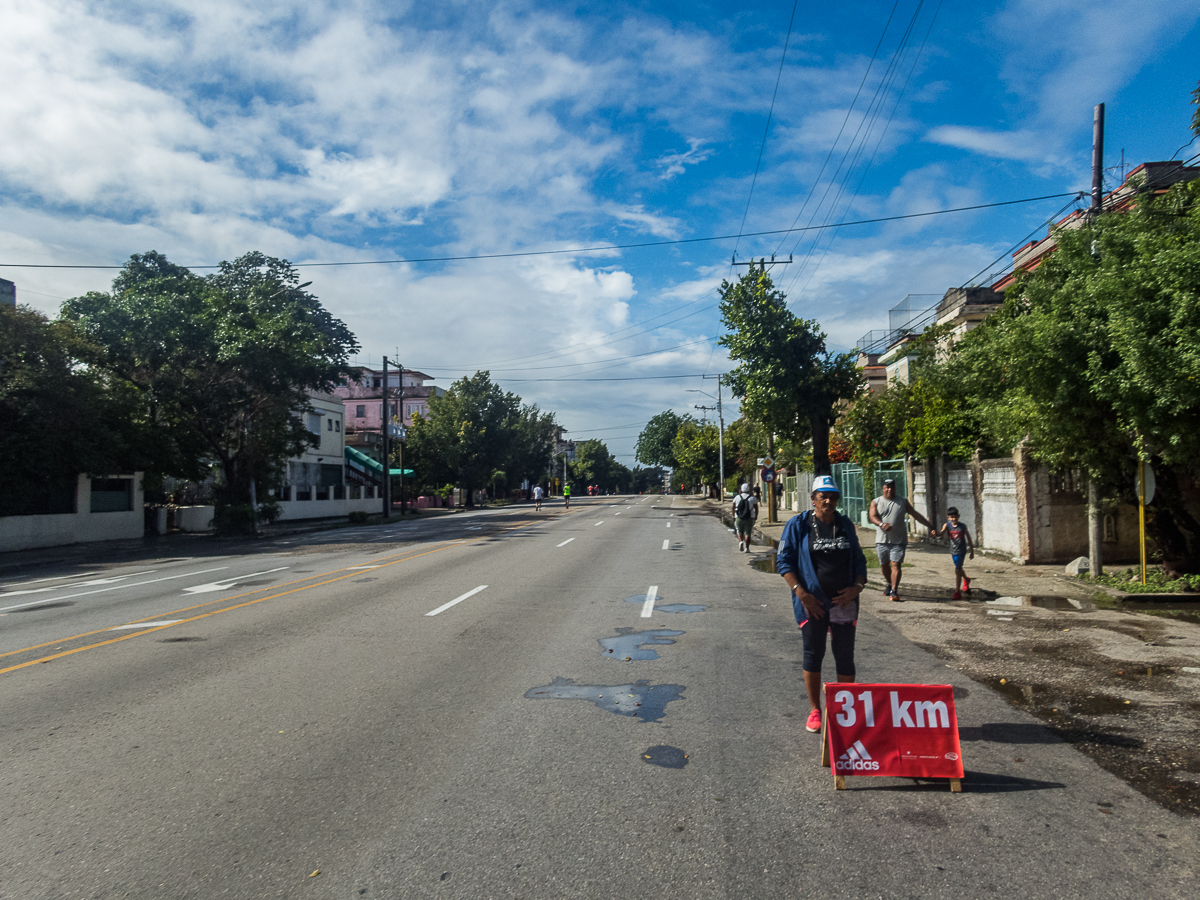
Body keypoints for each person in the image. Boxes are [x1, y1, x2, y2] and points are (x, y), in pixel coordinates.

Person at [776, 475, 868, 734]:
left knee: (845, 656)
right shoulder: (798, 525)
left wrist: (856, 588)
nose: (828, 501)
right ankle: (815, 709)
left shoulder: (845, 524)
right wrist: (801, 594)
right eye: (822, 496)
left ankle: (843, 712)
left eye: (833, 497)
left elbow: (860, 561)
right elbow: (784, 562)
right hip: (812, 602)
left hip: (844, 603)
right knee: (813, 654)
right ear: (813, 499)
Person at [868, 478, 936, 602]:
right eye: (887, 487)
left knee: (896, 564)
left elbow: (915, 515)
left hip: (899, 540)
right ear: (883, 488)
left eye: (892, 487)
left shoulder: (902, 502)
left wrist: (930, 526)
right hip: (882, 540)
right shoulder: (876, 502)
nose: (889, 489)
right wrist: (882, 524)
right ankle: (889, 583)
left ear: (895, 488)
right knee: (884, 565)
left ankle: (894, 590)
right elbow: (872, 517)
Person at [938, 507, 975, 599]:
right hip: (953, 551)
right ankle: (966, 579)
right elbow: (941, 533)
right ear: (948, 517)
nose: (954, 519)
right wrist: (935, 534)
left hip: (961, 551)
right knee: (959, 569)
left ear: (959, 516)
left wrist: (972, 551)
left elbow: (969, 538)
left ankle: (957, 592)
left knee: (957, 570)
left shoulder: (962, 526)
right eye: (952, 517)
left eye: (955, 517)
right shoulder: (947, 526)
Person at [731, 482, 758, 553]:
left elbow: (733, 506)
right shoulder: (752, 498)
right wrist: (755, 517)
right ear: (749, 489)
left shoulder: (737, 497)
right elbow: (756, 508)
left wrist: (733, 515)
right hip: (749, 517)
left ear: (741, 490)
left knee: (739, 531)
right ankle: (747, 548)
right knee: (747, 533)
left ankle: (741, 541)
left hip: (738, 517)